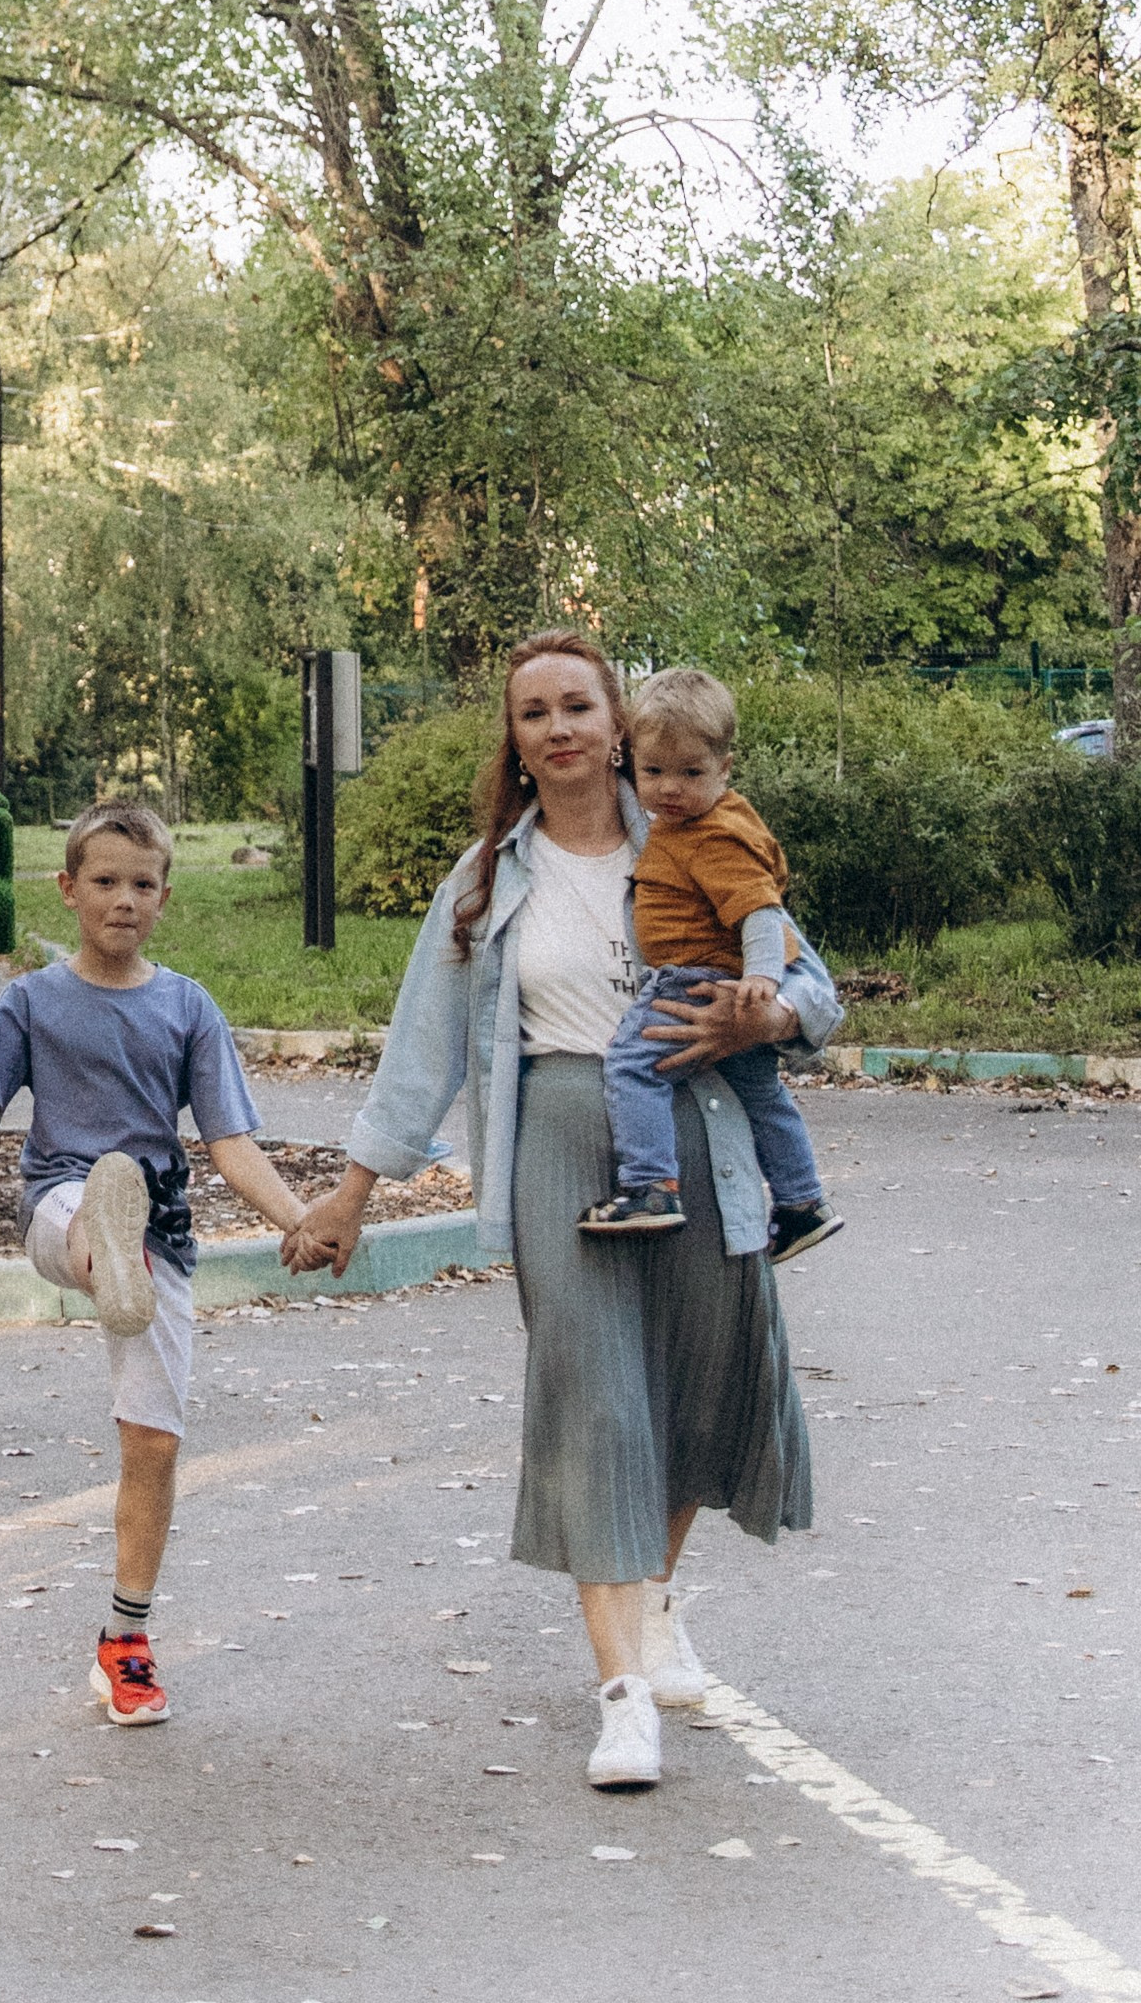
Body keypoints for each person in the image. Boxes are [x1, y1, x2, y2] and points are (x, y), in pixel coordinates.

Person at [291, 630, 841, 1795]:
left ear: (620, 726)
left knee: (694, 1385)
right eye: (534, 713)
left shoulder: (695, 835)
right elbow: (422, 1050)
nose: (559, 729)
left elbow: (812, 985)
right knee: (595, 1397)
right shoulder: (491, 878)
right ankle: (622, 1693)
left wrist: (765, 1020)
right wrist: (350, 1197)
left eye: (578, 706)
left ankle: (650, 1609)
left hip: (694, 1135)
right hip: (557, 1139)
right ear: (518, 742)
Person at [0, 795, 326, 1729]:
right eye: (105, 882)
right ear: (68, 891)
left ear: (166, 896)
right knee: (92, 1206)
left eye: (143, 884)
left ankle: (125, 1642)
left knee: (155, 1441)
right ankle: (104, 1243)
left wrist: (299, 1218)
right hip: (60, 1204)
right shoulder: (32, 1002)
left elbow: (229, 1143)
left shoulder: (187, 1007)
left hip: (160, 1234)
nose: (124, 900)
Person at [583, 667, 840, 1260]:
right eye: (653, 773)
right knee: (761, 1091)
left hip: (697, 977)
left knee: (631, 1064)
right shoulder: (699, 820)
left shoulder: (710, 836)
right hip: (727, 982)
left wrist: (762, 981)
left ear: (724, 769)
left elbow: (760, 913)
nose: (669, 788)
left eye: (691, 773)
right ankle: (802, 1203)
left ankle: (650, 1185)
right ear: (630, 764)